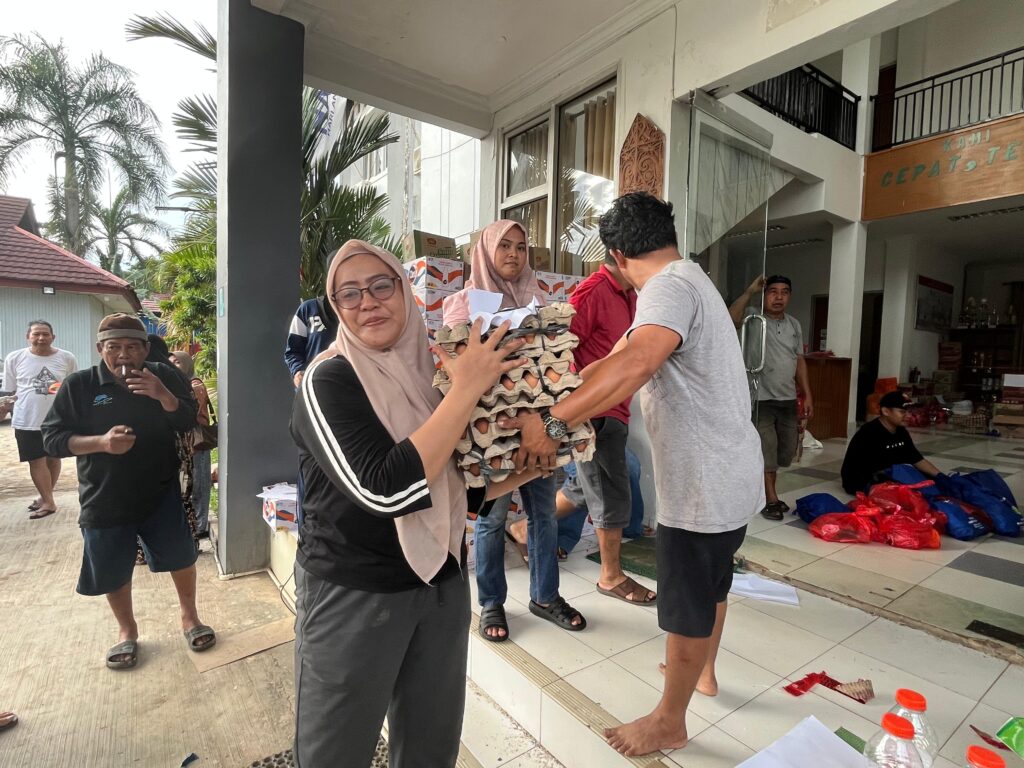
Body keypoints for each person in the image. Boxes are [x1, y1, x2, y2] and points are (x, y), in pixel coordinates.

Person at [516, 192, 764, 757]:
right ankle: (702, 673)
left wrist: (552, 424)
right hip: (730, 473)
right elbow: (614, 358)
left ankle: (669, 720)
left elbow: (636, 362)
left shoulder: (667, 289)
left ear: (617, 255)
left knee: (687, 602)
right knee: (712, 583)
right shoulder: (691, 279)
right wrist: (555, 393)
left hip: (702, 485)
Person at [289, 240, 543, 767]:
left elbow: (451, 481)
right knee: (335, 749)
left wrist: (528, 467)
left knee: (431, 742)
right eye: (349, 293)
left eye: (381, 286)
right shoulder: (328, 379)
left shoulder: (434, 373)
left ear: (405, 291)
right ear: (335, 307)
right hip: (355, 592)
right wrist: (466, 390)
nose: (368, 302)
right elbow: (385, 489)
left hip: (441, 581)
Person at [41, 313, 215, 670]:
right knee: (113, 566)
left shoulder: (163, 375)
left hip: (160, 489)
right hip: (104, 494)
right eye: (114, 347)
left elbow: (188, 420)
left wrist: (163, 395)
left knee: (181, 556)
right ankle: (127, 631)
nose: (123, 355)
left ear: (145, 349)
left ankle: (190, 617)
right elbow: (52, 438)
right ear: (99, 349)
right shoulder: (80, 385)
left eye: (132, 347)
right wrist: (100, 443)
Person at [443, 219, 586, 642]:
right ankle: (491, 603)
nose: (513, 254)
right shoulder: (462, 302)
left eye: (521, 247)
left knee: (543, 513)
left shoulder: (536, 301)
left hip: (537, 429)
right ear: (486, 251)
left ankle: (545, 596)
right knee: (492, 520)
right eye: (504, 245)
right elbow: (457, 367)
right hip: (493, 434)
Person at [514, 253, 654, 604]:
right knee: (607, 491)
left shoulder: (631, 295)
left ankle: (524, 529)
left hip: (615, 408)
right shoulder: (593, 292)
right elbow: (559, 352)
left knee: (593, 486)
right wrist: (570, 409)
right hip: (592, 410)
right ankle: (610, 575)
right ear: (623, 256)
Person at [729, 275, 813, 520]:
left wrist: (807, 394)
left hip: (786, 398)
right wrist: (750, 292)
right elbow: (731, 318)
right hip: (760, 398)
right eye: (773, 291)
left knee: (784, 453)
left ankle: (761, 492)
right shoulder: (753, 317)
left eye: (784, 292)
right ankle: (770, 498)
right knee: (767, 451)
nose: (779, 297)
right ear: (765, 295)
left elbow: (799, 361)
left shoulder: (794, 325)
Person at [0, 320, 77, 520]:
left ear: (53, 337)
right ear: (28, 337)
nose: (41, 338)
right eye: (36, 334)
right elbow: (9, 390)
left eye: (45, 334)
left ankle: (45, 498)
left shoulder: (66, 358)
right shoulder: (15, 358)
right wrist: (4, 408)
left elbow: (73, 387)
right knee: (36, 460)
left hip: (58, 420)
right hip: (26, 419)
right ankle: (49, 501)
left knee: (53, 458)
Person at [556, 447, 651, 557]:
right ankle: (561, 537)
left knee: (631, 465)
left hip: (602, 439)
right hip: (570, 442)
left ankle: (629, 527)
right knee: (587, 478)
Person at [841, 391, 941, 494]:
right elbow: (876, 470)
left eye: (908, 411)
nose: (908, 415)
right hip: (862, 481)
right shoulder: (869, 433)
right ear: (886, 411)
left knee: (933, 481)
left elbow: (916, 459)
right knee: (916, 491)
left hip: (886, 474)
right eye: (902, 412)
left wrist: (940, 476)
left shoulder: (901, 431)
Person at [170, 351, 214, 538]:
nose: (173, 366)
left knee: (199, 485)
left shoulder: (195, 385)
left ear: (187, 364)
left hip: (197, 442)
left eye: (177, 362)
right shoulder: (179, 386)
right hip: (184, 444)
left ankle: (200, 526)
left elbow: (190, 412)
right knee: (188, 486)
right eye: (170, 362)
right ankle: (192, 525)